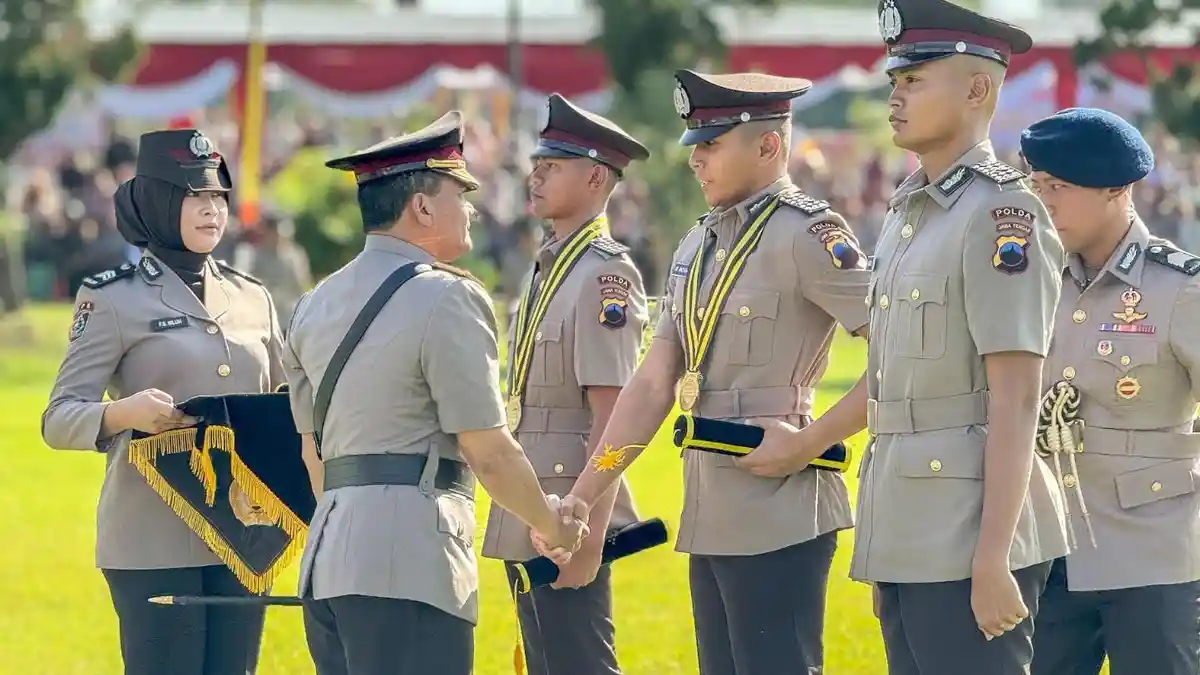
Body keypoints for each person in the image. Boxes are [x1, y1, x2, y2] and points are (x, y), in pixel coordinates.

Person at [558, 69, 873, 675]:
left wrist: (808, 442)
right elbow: (653, 383)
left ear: (768, 145)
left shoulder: (809, 235)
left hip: (782, 506)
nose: (696, 160)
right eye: (694, 145)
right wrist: (585, 492)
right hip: (712, 506)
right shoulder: (698, 243)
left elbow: (903, 358)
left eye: (712, 144)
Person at [282, 110, 586, 675]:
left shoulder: (312, 303)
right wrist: (550, 522)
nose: (470, 206)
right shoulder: (448, 298)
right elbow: (487, 450)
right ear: (421, 207)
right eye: (458, 192)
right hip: (410, 566)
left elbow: (313, 453)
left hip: (328, 562)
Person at [847, 2, 1072, 674]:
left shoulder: (1003, 213)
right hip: (906, 521)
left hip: (969, 527)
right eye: (895, 81)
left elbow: (1017, 393)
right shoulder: (909, 212)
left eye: (914, 80)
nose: (895, 96)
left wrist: (994, 555)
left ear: (977, 90)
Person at [41, 128, 287, 675]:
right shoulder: (110, 298)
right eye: (194, 197)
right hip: (151, 540)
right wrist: (121, 414)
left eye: (218, 197)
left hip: (244, 537)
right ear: (157, 201)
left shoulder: (253, 297)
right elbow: (58, 418)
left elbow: (283, 404)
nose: (211, 211)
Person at [1020, 108, 1200, 675]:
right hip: (1047, 551)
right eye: (1037, 185)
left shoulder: (1178, 287)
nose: (1043, 201)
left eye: (1060, 187)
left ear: (1117, 190)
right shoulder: (1032, 282)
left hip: (1154, 556)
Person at [480, 93, 650, 675]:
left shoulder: (604, 273)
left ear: (596, 176)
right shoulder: (551, 265)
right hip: (536, 497)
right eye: (537, 165)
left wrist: (589, 534)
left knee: (577, 662)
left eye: (552, 167)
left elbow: (612, 415)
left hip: (567, 510)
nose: (536, 176)